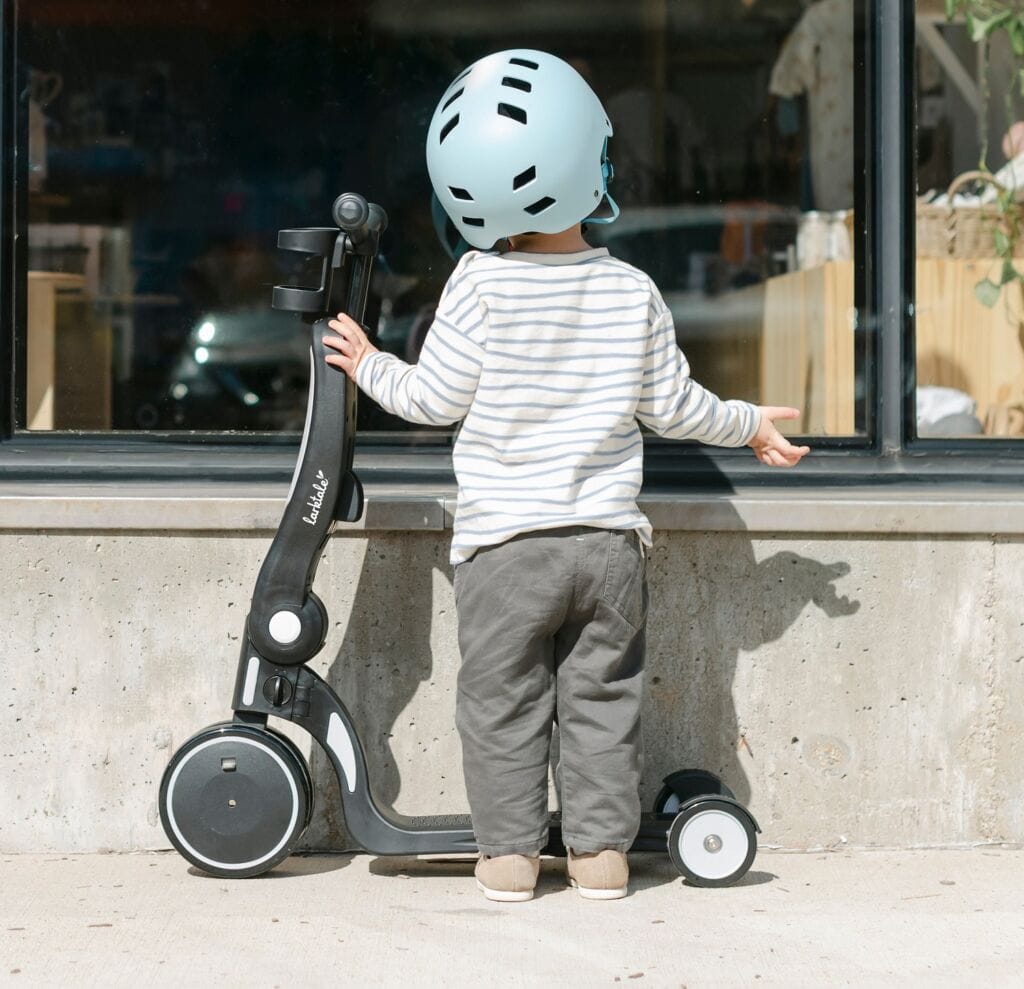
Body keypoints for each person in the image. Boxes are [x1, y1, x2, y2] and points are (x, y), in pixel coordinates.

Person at [324, 49, 809, 903]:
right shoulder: (631, 290)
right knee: (601, 703)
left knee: (503, 705)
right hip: (607, 549)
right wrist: (749, 426)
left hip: (507, 551)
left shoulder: (477, 285)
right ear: (592, 166)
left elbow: (431, 399)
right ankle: (600, 856)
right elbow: (677, 406)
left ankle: (511, 856)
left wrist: (366, 361)